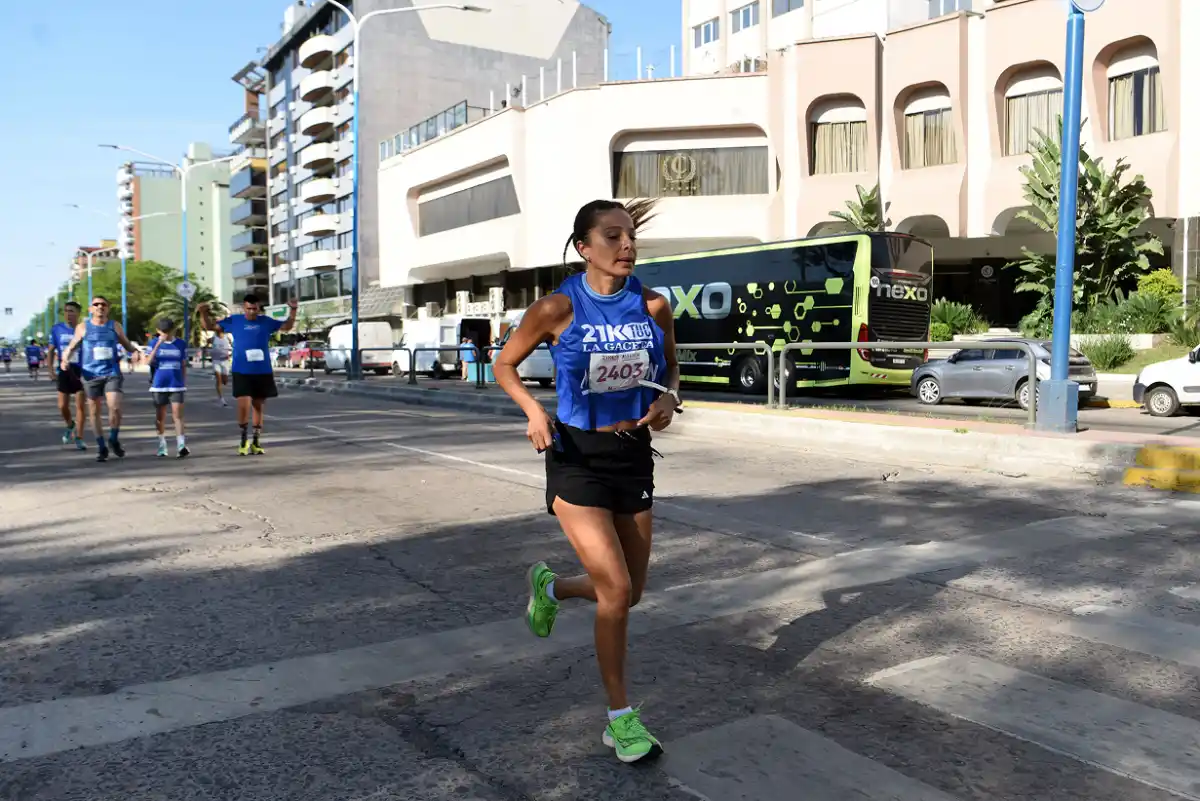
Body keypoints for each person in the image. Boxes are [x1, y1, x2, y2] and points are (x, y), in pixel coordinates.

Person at [493, 198, 680, 764]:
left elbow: (671, 367)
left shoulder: (654, 305)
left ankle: (551, 588)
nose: (626, 246)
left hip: (632, 455)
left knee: (629, 593)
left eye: (630, 236)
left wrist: (670, 397)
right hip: (576, 455)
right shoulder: (556, 308)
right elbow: (505, 364)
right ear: (583, 248)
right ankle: (620, 720)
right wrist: (531, 410)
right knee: (617, 591)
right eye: (612, 236)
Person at [196, 293, 296, 455]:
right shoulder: (235, 320)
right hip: (242, 370)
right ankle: (243, 439)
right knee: (244, 404)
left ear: (259, 308)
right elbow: (209, 327)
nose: (251, 312)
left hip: (262, 370)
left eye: (254, 309)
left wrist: (293, 310)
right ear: (244, 307)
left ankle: (256, 441)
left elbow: (287, 327)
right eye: (249, 309)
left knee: (258, 406)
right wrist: (203, 312)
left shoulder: (266, 321)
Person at [60, 295, 141, 462]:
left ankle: (113, 438)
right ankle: (101, 446)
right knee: (94, 411)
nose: (99, 307)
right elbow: (72, 346)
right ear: (91, 309)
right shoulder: (83, 327)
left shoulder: (114, 326)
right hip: (90, 373)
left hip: (111, 372)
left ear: (108, 308)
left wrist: (136, 352)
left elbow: (126, 344)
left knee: (115, 407)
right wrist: (65, 359)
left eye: (103, 304)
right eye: (96, 304)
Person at [146, 317, 189, 458]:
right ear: (158, 331)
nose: (165, 334)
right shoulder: (153, 343)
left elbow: (183, 364)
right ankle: (162, 443)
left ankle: (181, 444)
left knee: (178, 415)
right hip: (159, 385)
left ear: (173, 330)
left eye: (168, 331)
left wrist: (183, 381)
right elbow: (147, 361)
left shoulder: (181, 344)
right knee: (160, 416)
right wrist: (158, 344)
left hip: (176, 385)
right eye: (162, 331)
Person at [48, 302, 88, 450]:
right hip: (64, 370)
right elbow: (51, 350)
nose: (68, 314)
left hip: (81, 370)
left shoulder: (85, 328)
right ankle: (70, 424)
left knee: (80, 406)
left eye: (71, 311)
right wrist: (50, 370)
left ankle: (79, 437)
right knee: (62, 406)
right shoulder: (57, 329)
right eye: (66, 311)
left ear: (78, 313)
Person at [210, 327, 232, 407]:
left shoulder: (227, 337)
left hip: (225, 361)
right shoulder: (214, 338)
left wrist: (231, 351)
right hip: (216, 361)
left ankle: (222, 382)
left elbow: (233, 345)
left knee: (225, 381)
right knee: (218, 380)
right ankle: (221, 398)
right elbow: (208, 342)